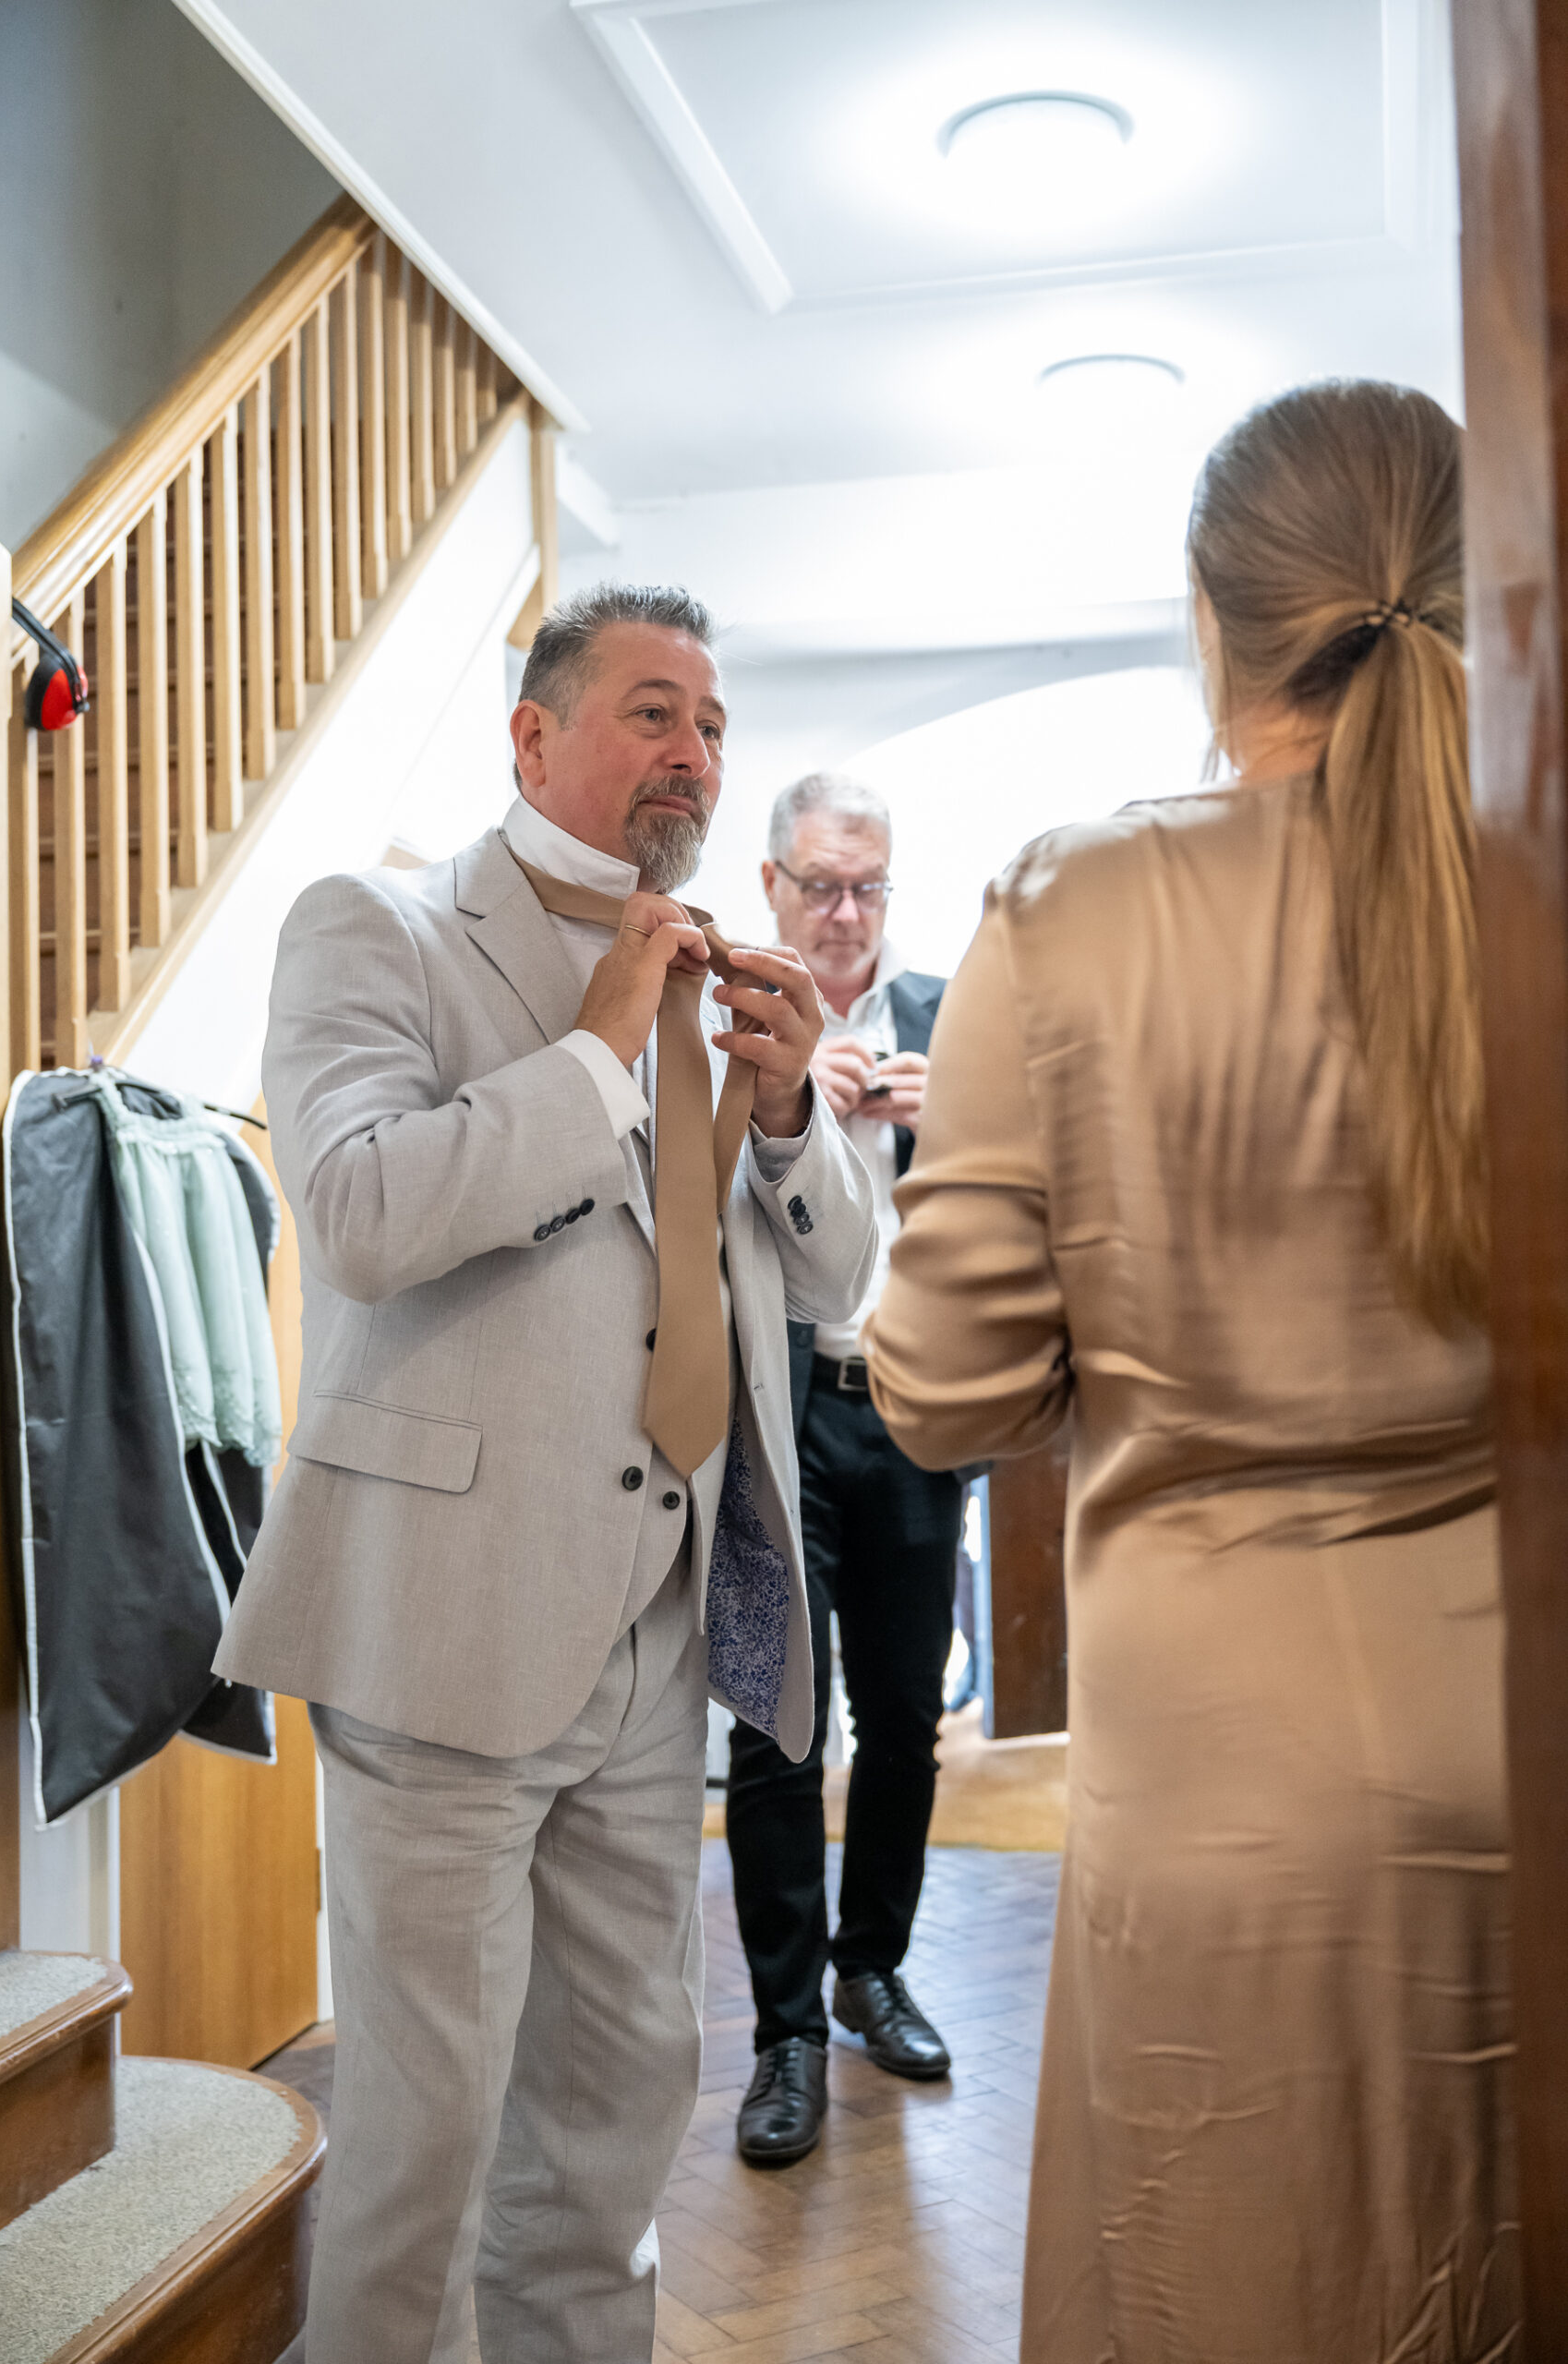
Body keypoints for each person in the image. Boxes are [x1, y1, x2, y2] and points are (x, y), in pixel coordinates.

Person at [865, 383, 1517, 2359]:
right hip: (1524, 1760)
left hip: (1216, 1793)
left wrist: (1127, 1344)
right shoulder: (1541, 894)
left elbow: (943, 1391)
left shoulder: (1072, 907)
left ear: (1209, 622)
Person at [215, 585, 876, 2364]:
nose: (696, 751)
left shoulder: (723, 978)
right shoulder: (380, 926)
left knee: (608, 2134)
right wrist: (594, 1053)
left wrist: (800, 1112)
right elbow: (355, 1216)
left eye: (715, 725)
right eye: (656, 711)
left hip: (661, 1635)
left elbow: (831, 1285)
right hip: (447, 1627)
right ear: (534, 735)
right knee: (423, 2151)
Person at [726, 772, 963, 2168]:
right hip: (778, 1409)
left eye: (868, 886)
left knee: (902, 1718)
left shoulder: (952, 1022)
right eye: (820, 884)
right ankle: (785, 2036)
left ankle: (871, 1971)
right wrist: (785, 1104)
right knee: (778, 1722)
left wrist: (951, 1127)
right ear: (772, 884)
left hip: (917, 1405)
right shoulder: (733, 1020)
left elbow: (1019, 1202)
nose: (845, 912)